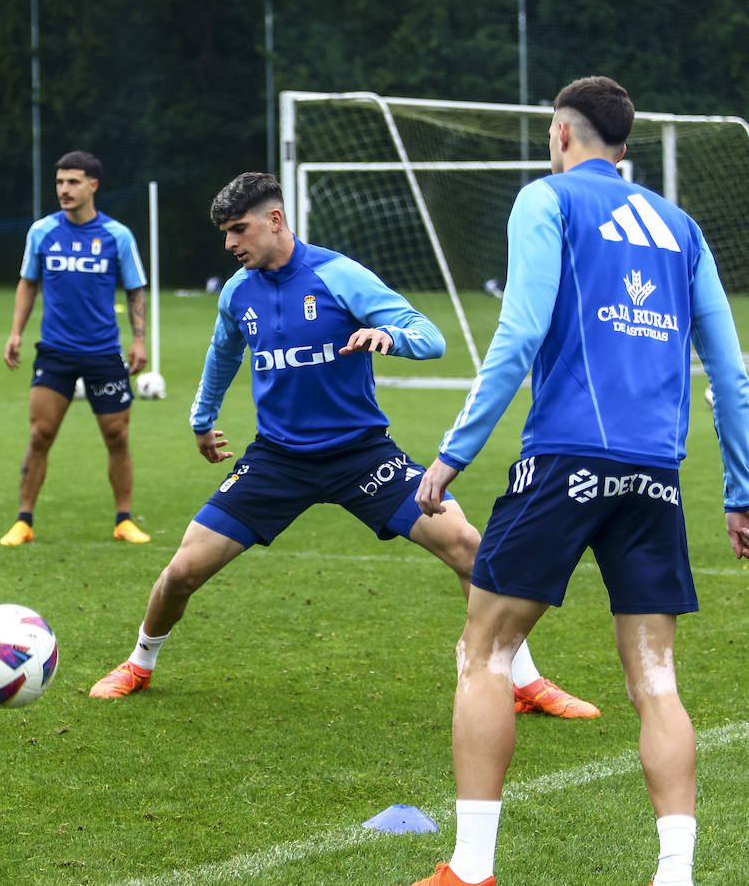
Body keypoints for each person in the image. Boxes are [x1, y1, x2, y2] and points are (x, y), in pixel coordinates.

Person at [89, 172, 596, 725]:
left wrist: (389, 336)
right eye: (225, 234)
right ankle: (140, 662)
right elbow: (222, 358)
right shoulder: (238, 293)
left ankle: (523, 681)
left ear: (275, 220)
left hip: (362, 456)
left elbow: (430, 337)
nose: (230, 244)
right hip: (276, 461)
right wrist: (201, 420)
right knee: (183, 570)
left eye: (239, 230)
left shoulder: (338, 275)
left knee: (470, 550)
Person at [407, 77, 749, 886]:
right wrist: (741, 490)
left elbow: (520, 330)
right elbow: (730, 374)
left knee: (486, 650)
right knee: (656, 679)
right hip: (657, 478)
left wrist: (454, 452)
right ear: (624, 146)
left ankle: (472, 868)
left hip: (565, 461)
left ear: (562, 135)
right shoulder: (683, 227)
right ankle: (676, 875)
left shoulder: (548, 200)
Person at [0, 150, 151, 546]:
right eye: (60, 182)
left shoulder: (117, 236)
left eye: (72, 182)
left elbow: (135, 288)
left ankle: (124, 520)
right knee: (39, 435)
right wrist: (15, 332)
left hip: (103, 352)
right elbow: (27, 283)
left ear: (92, 186)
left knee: (117, 436)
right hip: (55, 351)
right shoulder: (42, 232)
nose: (64, 190)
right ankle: (23, 521)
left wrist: (139, 339)